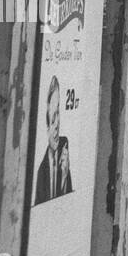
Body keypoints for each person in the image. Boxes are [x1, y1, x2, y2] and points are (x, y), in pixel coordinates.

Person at [34, 74, 73, 204]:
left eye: (58, 115)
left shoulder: (64, 151)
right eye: (52, 120)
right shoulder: (41, 173)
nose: (56, 125)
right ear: (46, 127)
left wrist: (64, 177)